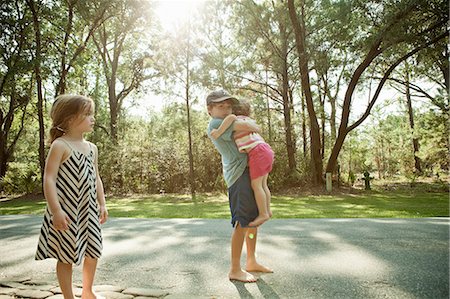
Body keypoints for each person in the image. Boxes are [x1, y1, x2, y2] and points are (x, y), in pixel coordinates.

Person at [35, 94, 108, 299]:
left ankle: (87, 291)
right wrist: (56, 211)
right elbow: (49, 179)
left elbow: (96, 178)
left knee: (93, 251)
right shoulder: (60, 145)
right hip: (67, 212)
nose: (92, 118)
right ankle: (69, 296)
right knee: (65, 255)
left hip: (88, 211)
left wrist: (102, 204)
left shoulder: (92, 148)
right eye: (86, 114)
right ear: (69, 119)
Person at [206, 89, 273, 283]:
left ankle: (251, 261)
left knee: (251, 221)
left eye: (228, 106)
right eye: (220, 106)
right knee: (241, 222)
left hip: (247, 171)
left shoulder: (228, 120)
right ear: (210, 110)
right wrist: (249, 124)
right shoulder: (216, 123)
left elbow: (251, 125)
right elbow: (253, 127)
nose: (226, 110)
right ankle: (235, 269)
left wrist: (250, 124)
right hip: (238, 175)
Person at [210, 99, 274, 227]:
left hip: (257, 152)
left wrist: (218, 132)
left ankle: (263, 214)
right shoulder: (249, 120)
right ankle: (267, 210)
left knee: (256, 185)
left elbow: (230, 118)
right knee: (263, 184)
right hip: (265, 150)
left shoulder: (235, 119)